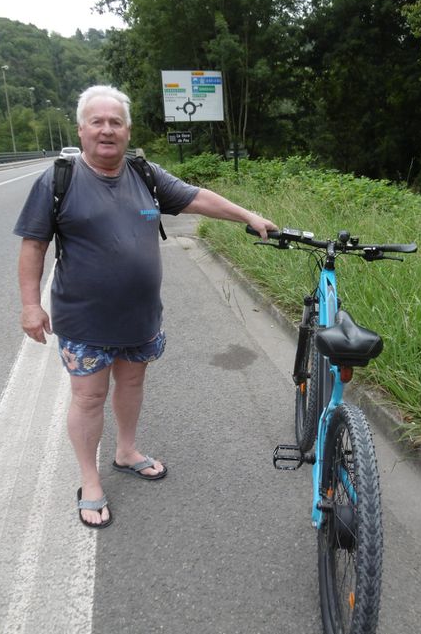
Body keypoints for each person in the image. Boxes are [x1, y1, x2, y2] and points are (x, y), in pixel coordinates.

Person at [14, 84, 276, 529]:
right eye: (97, 121)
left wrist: (247, 215)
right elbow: (34, 245)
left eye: (115, 122)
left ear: (127, 130)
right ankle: (90, 479)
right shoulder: (57, 179)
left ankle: (127, 451)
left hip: (140, 316)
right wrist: (29, 305)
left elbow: (197, 198)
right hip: (85, 319)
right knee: (89, 396)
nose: (107, 130)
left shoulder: (146, 174)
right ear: (81, 130)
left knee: (132, 385)